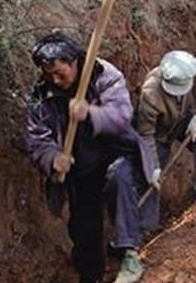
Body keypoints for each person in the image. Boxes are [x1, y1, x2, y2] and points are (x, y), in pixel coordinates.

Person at [24, 33, 155, 283]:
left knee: (120, 179)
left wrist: (91, 113)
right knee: (84, 229)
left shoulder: (104, 74)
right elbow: (36, 138)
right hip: (80, 168)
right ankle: (91, 273)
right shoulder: (41, 95)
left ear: (74, 62)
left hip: (116, 153)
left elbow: (121, 116)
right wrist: (52, 158)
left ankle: (129, 253)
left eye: (60, 73)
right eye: (48, 74)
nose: (55, 80)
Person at [136, 50, 196, 209]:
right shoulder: (150, 92)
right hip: (159, 132)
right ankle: (145, 226)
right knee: (150, 177)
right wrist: (153, 166)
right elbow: (146, 134)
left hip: (185, 120)